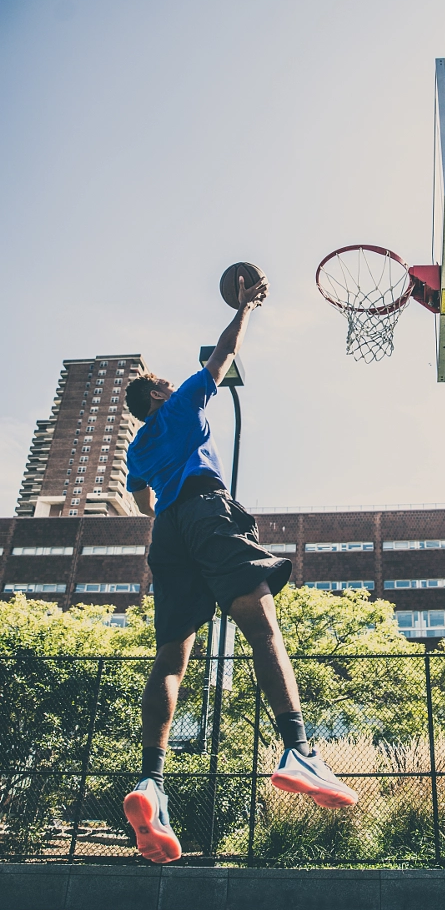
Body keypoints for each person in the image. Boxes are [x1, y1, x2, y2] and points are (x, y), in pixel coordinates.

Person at [122, 274, 357, 864]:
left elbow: (144, 503)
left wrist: (170, 514)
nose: (174, 385)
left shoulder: (136, 448)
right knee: (263, 627)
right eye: (166, 385)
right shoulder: (178, 406)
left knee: (172, 660)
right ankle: (300, 751)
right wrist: (247, 306)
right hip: (204, 509)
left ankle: (151, 779)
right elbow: (225, 354)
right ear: (156, 396)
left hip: (167, 535)